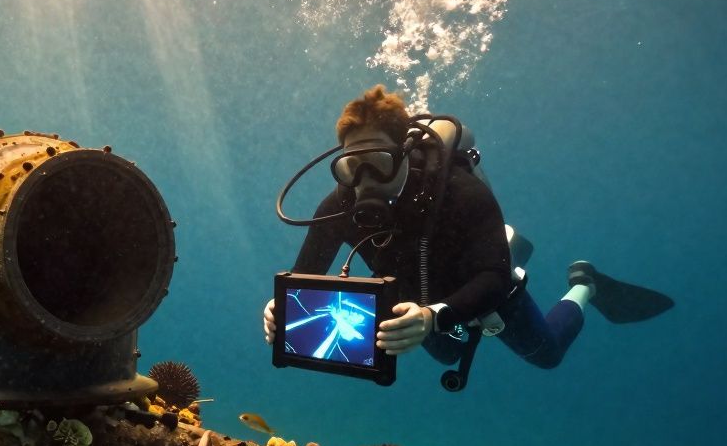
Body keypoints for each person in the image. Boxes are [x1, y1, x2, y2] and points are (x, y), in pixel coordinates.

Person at [263, 85, 671, 372]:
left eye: (380, 161)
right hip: (420, 301)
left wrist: (434, 315)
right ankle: (492, 259)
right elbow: (304, 278)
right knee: (446, 355)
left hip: (484, 285)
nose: (365, 178)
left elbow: (493, 277)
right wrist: (282, 307)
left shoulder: (460, 191)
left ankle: (585, 284)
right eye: (353, 164)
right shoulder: (340, 204)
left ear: (404, 153)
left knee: (547, 355)